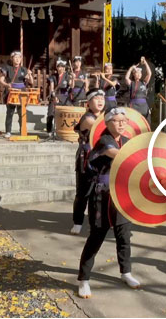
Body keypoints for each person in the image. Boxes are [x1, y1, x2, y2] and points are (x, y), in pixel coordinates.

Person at [78, 107, 140, 298]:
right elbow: (121, 156)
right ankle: (84, 280)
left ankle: (126, 272)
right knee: (96, 238)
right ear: (107, 123)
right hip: (102, 196)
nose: (122, 124)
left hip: (121, 195)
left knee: (124, 236)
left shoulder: (128, 141)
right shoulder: (104, 140)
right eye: (117, 120)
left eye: (124, 120)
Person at [70, 88, 105, 235]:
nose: (100, 101)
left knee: (97, 194)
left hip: (101, 159)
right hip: (86, 159)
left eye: (102, 99)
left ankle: (94, 223)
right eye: (96, 99)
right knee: (83, 193)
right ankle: (77, 222)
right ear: (89, 103)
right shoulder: (88, 119)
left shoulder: (104, 117)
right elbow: (102, 130)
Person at [0, 50, 34, 139]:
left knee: (21, 112)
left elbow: (31, 82)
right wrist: (7, 85)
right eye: (15, 57)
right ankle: (8, 131)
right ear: (12, 58)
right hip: (11, 91)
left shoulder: (24, 69)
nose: (17, 59)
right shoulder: (7, 68)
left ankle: (22, 130)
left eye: (19, 57)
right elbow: (1, 80)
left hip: (21, 92)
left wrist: (29, 75)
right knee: (10, 113)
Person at [47, 58, 71, 135]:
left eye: (62, 67)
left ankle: (63, 130)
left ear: (64, 68)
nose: (60, 68)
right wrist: (54, 97)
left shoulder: (67, 75)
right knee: (51, 113)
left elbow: (71, 85)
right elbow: (51, 87)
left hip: (64, 97)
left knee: (64, 114)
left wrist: (73, 78)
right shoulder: (53, 76)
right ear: (57, 67)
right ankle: (49, 130)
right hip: (55, 96)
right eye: (59, 66)